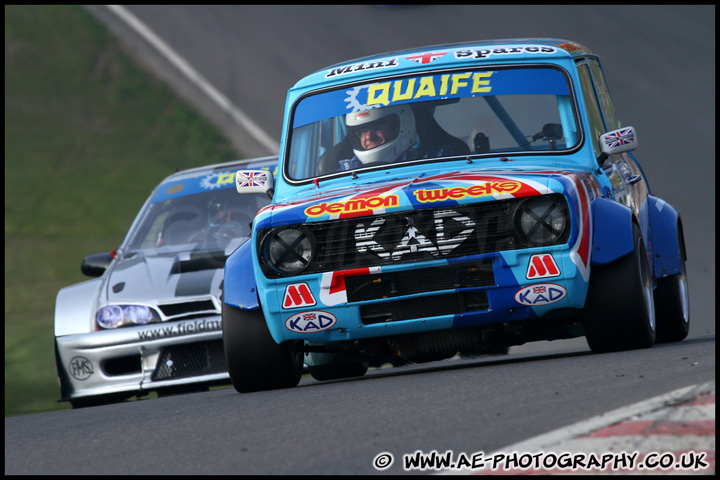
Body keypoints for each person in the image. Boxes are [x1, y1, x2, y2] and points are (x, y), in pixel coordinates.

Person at [339, 104, 458, 171]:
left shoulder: (437, 159)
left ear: (401, 126)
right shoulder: (347, 170)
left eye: (377, 128)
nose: (369, 137)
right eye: (363, 132)